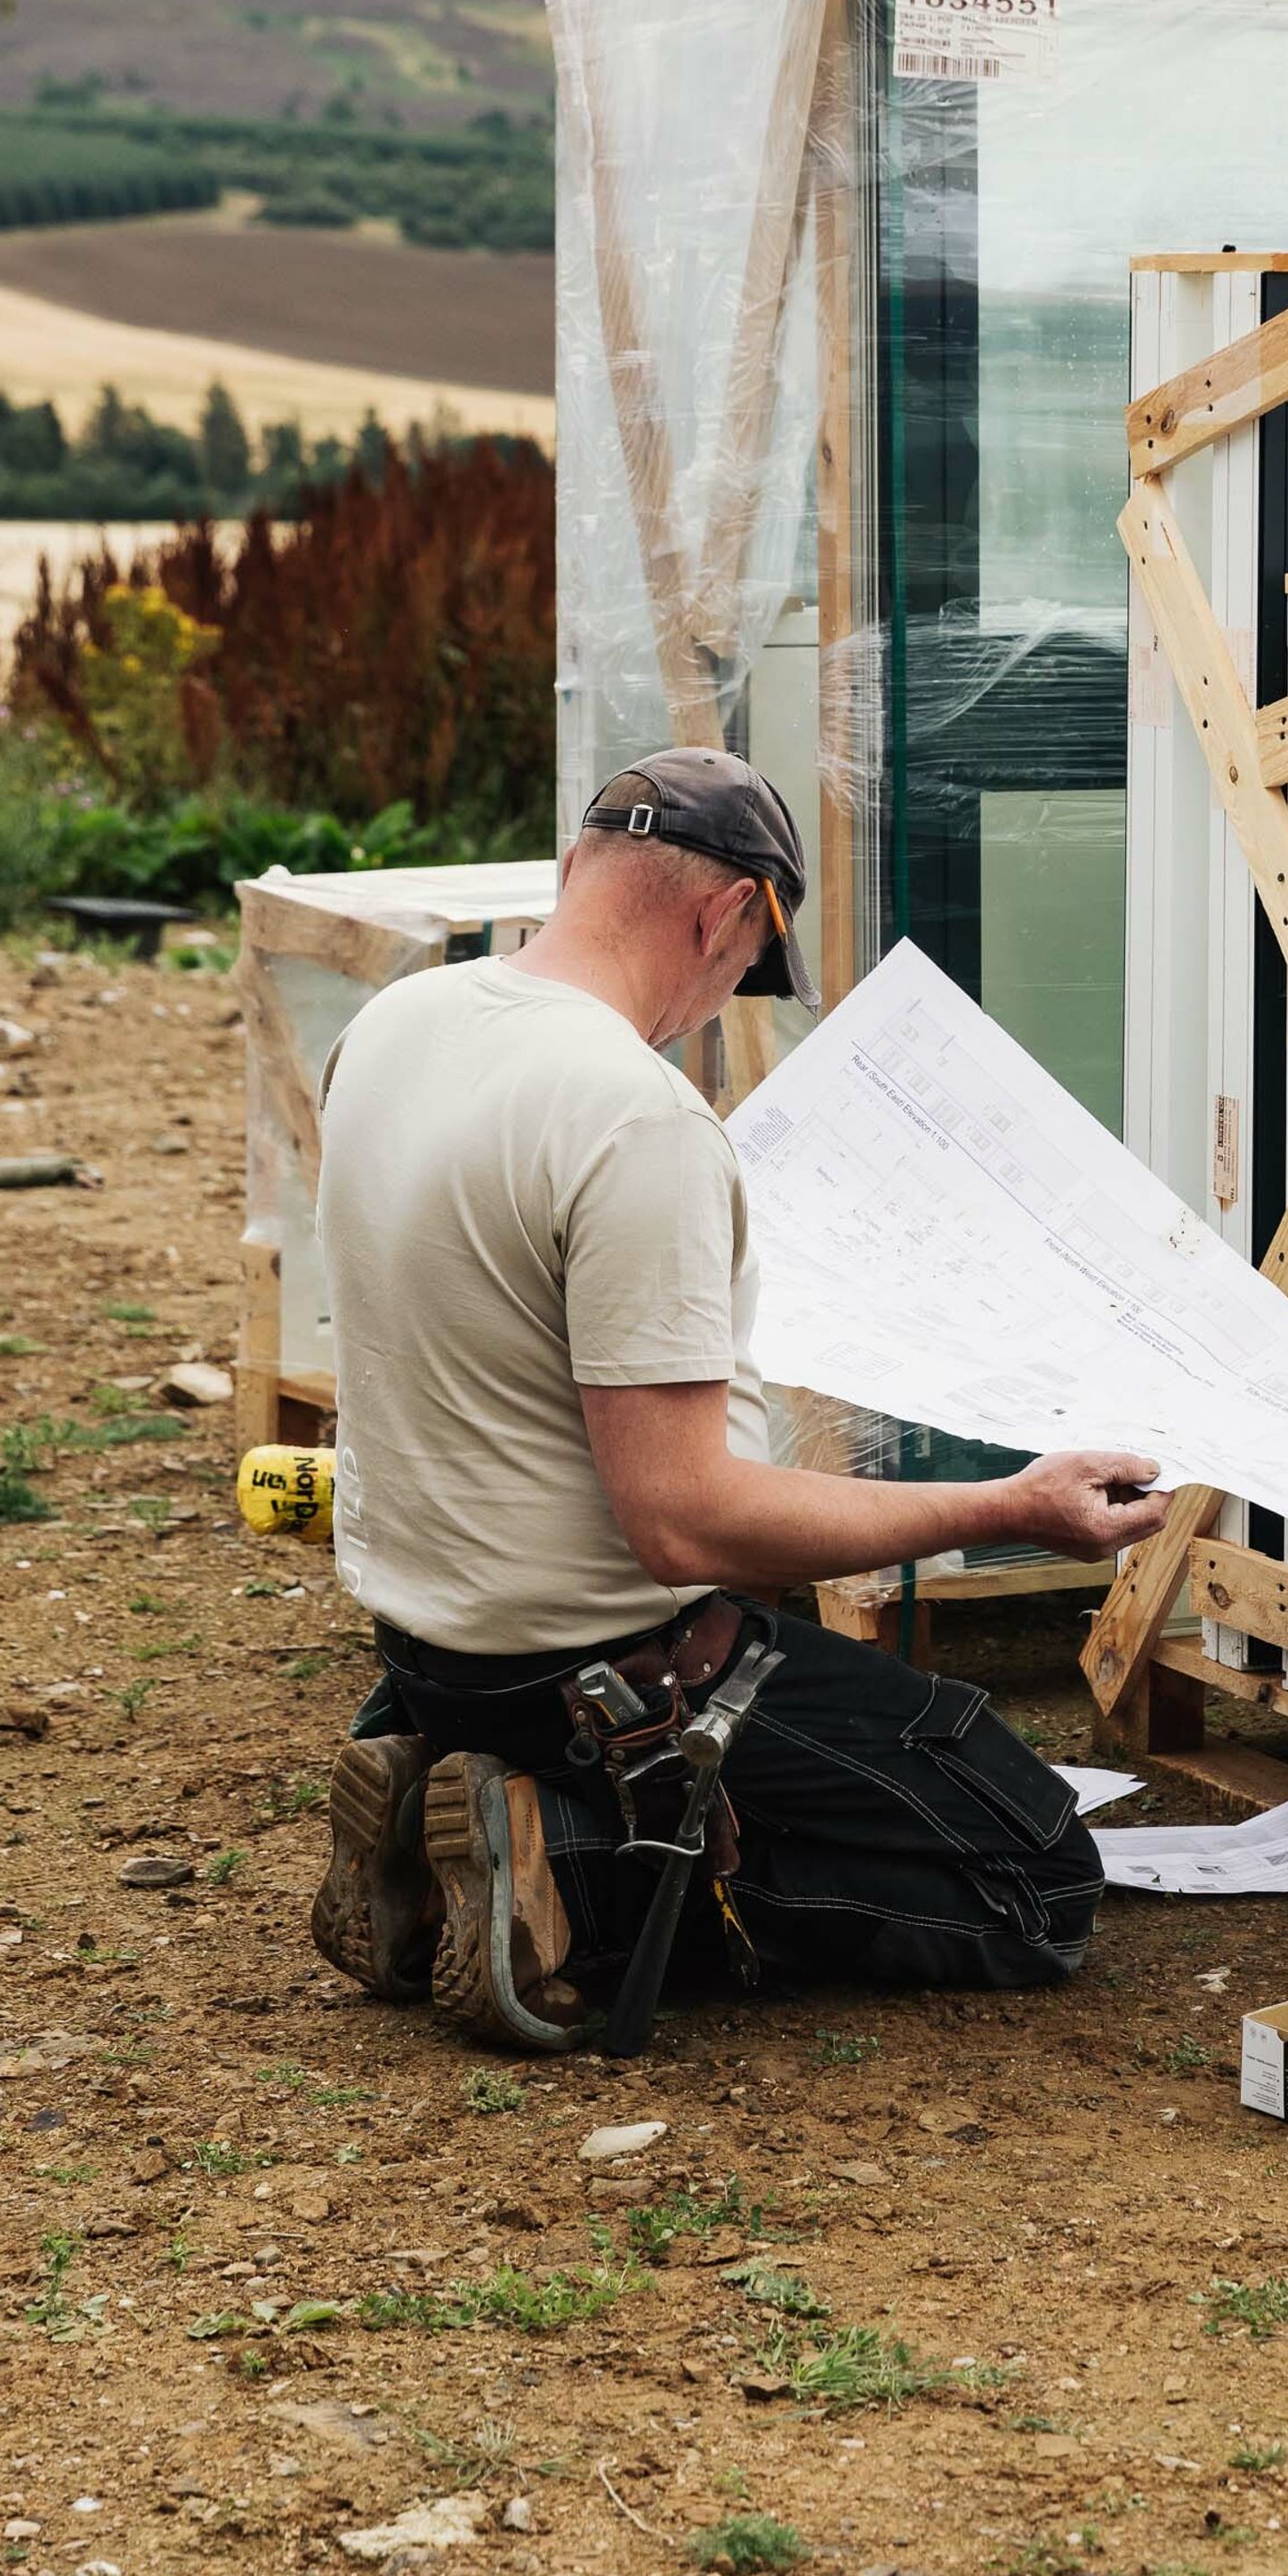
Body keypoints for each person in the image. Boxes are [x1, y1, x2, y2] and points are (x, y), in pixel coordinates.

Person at [308, 747, 1162, 2050]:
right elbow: (684, 1523)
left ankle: (456, 1784)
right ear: (724, 915)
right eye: (743, 969)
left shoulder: (398, 1030)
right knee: (1034, 1873)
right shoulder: (631, 1116)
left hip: (432, 1648)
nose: (715, 1004)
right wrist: (1008, 1503)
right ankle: (576, 1863)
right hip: (603, 1672)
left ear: (573, 869)